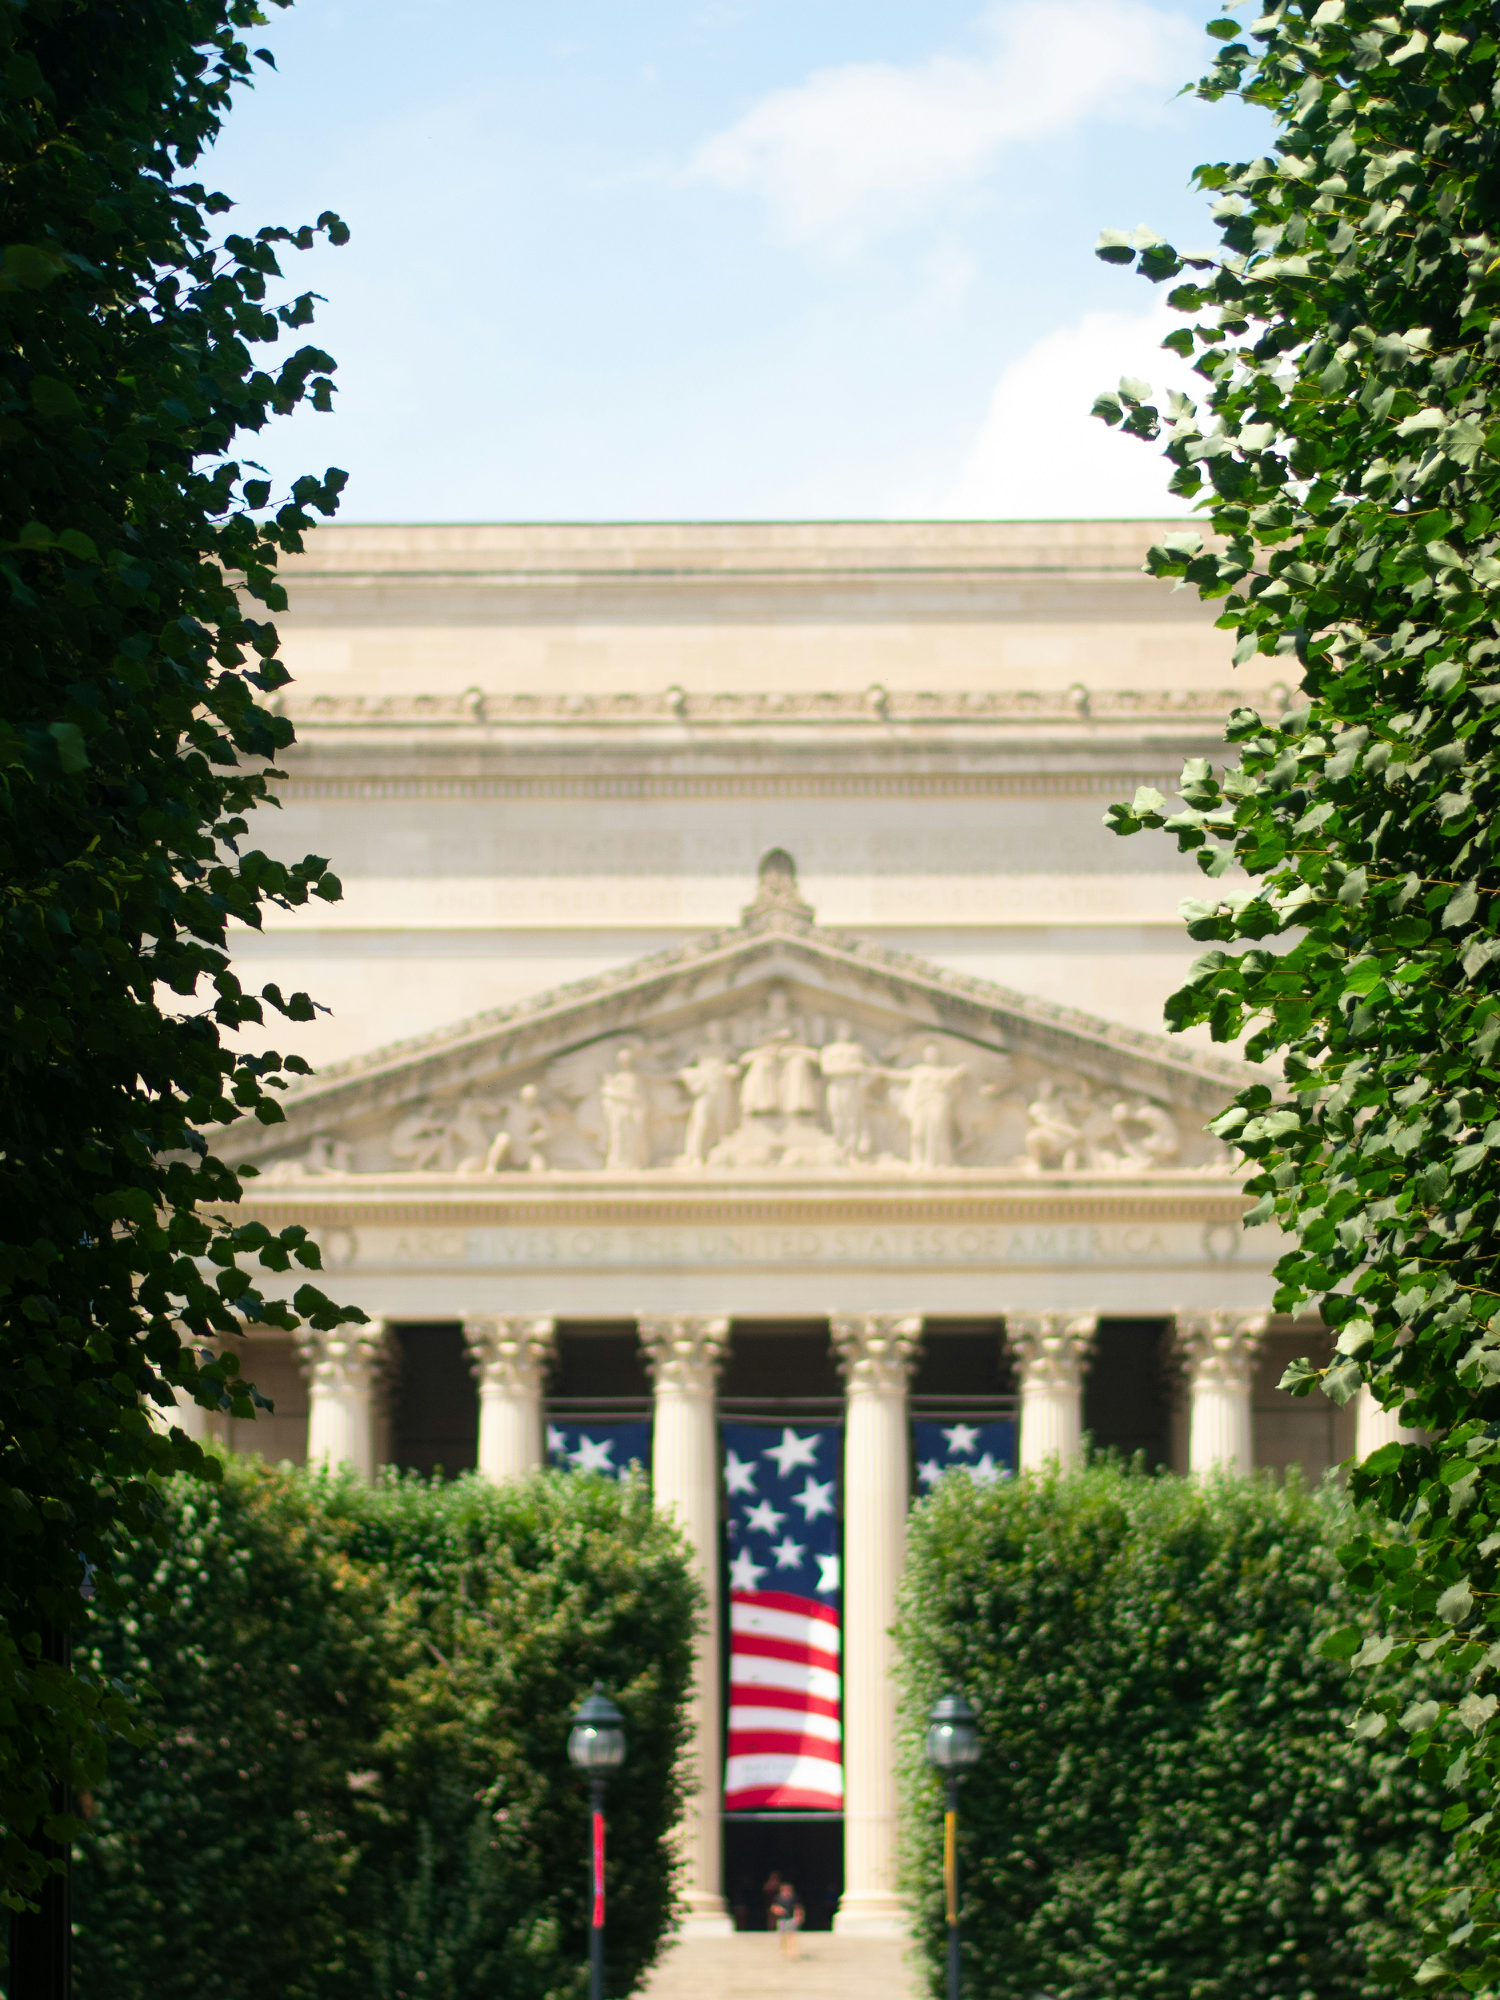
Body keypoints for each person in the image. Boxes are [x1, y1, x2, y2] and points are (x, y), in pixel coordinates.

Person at [769, 1876, 804, 1960]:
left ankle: (792, 1950)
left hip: (791, 1919)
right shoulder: (778, 1898)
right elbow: (773, 1907)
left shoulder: (793, 1898)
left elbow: (798, 1907)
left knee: (792, 1935)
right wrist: (778, 1910)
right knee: (783, 1935)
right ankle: (784, 1949)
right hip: (782, 1919)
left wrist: (798, 1916)